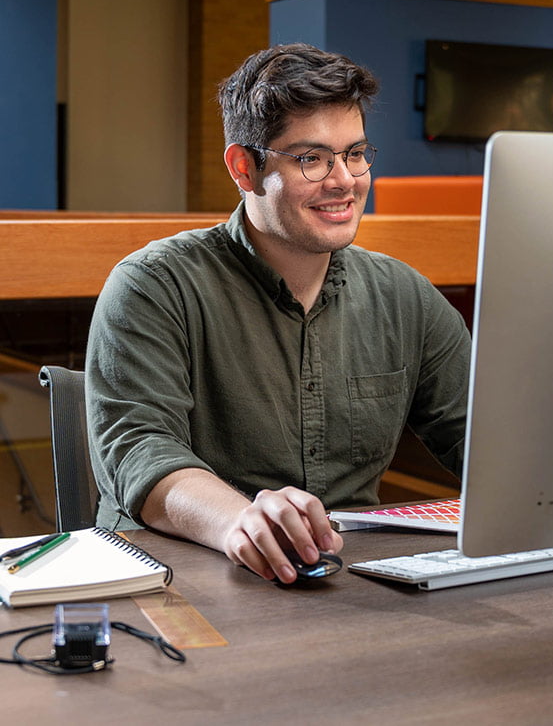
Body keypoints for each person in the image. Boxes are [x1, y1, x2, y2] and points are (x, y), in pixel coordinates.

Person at [85, 43, 470, 585]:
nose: (344, 180)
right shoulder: (153, 285)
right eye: (311, 159)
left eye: (355, 153)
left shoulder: (405, 296)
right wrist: (242, 521)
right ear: (245, 167)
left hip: (352, 581)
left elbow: (485, 439)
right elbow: (140, 450)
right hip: (178, 581)